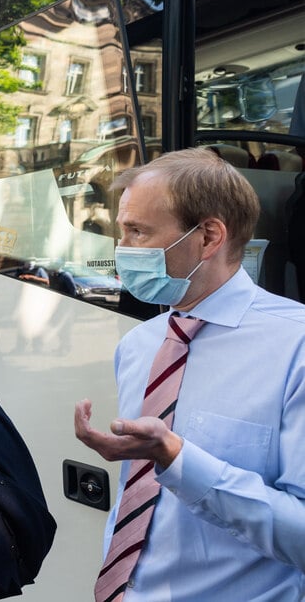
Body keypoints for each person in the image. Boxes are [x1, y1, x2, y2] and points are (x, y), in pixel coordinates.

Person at [74, 148, 305, 601]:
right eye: (122, 232)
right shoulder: (139, 345)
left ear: (209, 236)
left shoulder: (295, 346)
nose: (123, 251)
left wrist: (179, 459)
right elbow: (137, 504)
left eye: (138, 232)